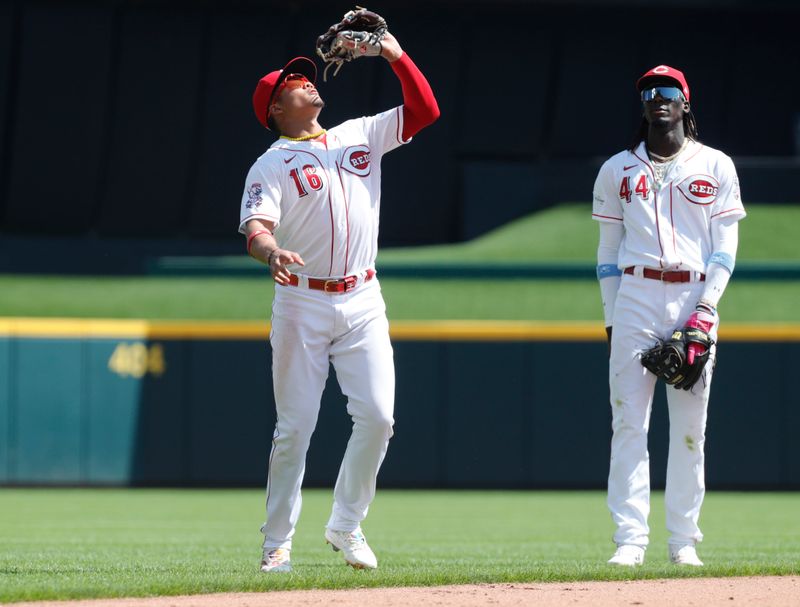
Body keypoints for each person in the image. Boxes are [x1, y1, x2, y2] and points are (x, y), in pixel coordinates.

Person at [239, 31, 439, 573]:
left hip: (363, 297)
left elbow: (425, 110)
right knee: (295, 428)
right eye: (292, 81)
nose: (305, 79)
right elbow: (256, 226)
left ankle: (346, 524)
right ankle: (276, 541)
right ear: (276, 106)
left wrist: (394, 54)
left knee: (378, 416)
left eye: (305, 75)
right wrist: (271, 249)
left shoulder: (360, 135)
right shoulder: (271, 163)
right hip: (302, 303)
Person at [592, 65, 745, 567]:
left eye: (668, 91)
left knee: (689, 428)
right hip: (636, 292)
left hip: (692, 295)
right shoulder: (617, 169)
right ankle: (630, 541)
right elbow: (608, 253)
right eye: (649, 92)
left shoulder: (716, 164)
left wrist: (706, 310)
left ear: (685, 103)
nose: (658, 98)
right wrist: (612, 317)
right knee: (628, 421)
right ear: (643, 106)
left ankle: (683, 541)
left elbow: (726, 245)